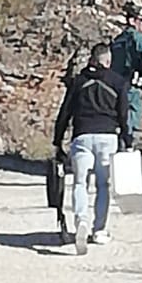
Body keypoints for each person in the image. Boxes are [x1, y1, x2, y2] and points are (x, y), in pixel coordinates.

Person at [53, 43, 132, 256]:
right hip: (108, 138)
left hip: (82, 137)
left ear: (92, 59)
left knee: (80, 183)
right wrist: (127, 140)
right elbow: (124, 115)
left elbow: (64, 113)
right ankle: (99, 230)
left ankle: (81, 221)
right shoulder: (118, 82)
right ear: (108, 61)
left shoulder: (78, 82)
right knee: (102, 185)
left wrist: (57, 141)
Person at [109, 1, 142, 144]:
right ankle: (130, 145)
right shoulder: (137, 37)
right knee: (132, 119)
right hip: (132, 86)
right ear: (133, 21)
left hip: (117, 86)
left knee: (121, 118)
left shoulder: (118, 40)